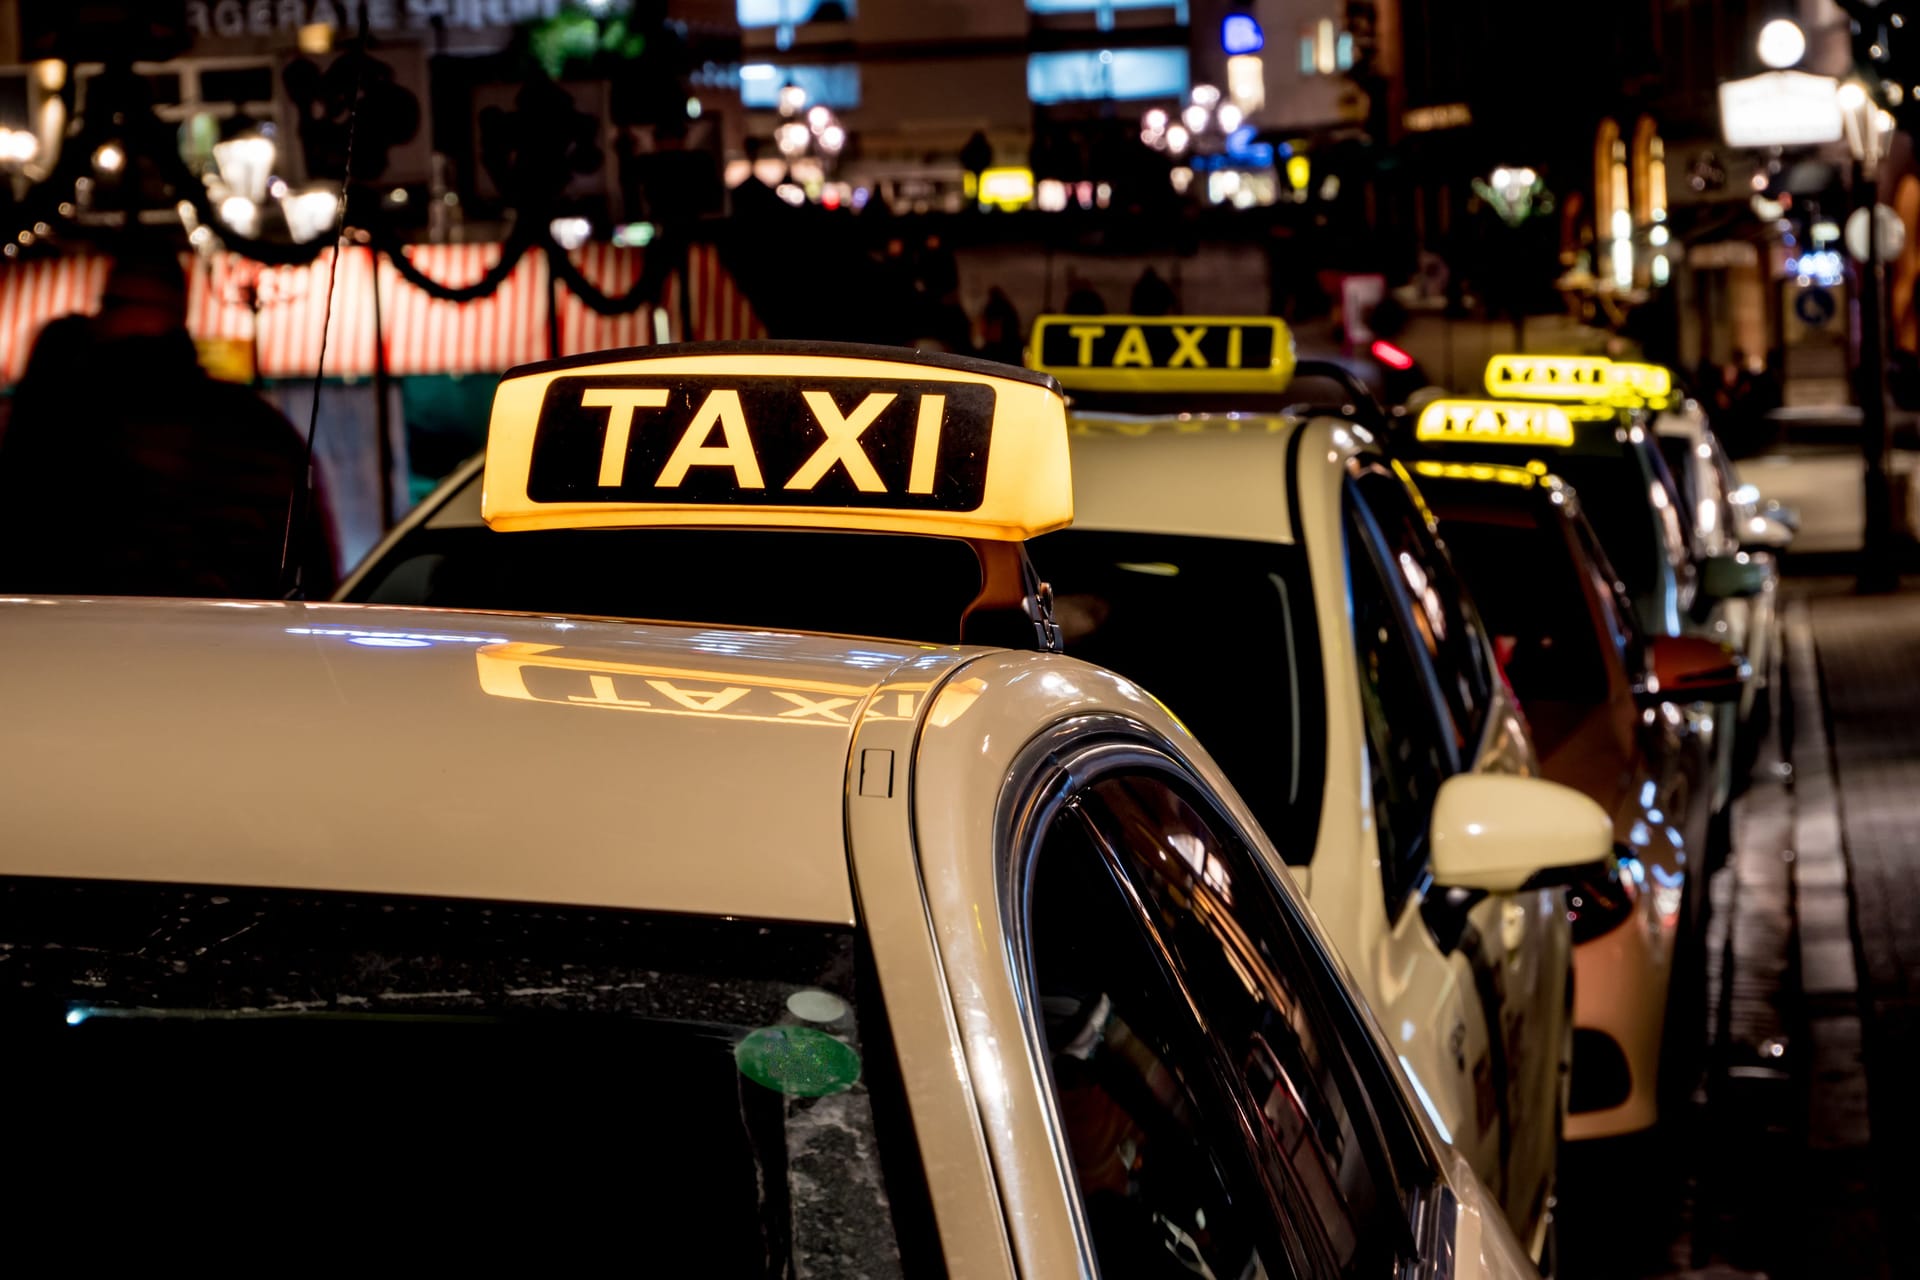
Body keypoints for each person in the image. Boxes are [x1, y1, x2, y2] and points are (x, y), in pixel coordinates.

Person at [0, 243, 336, 598]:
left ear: (154, 310)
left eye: (112, 303)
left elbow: (36, 546)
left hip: (92, 633)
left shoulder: (78, 424)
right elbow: (309, 560)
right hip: (240, 636)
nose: (100, 318)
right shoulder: (259, 425)